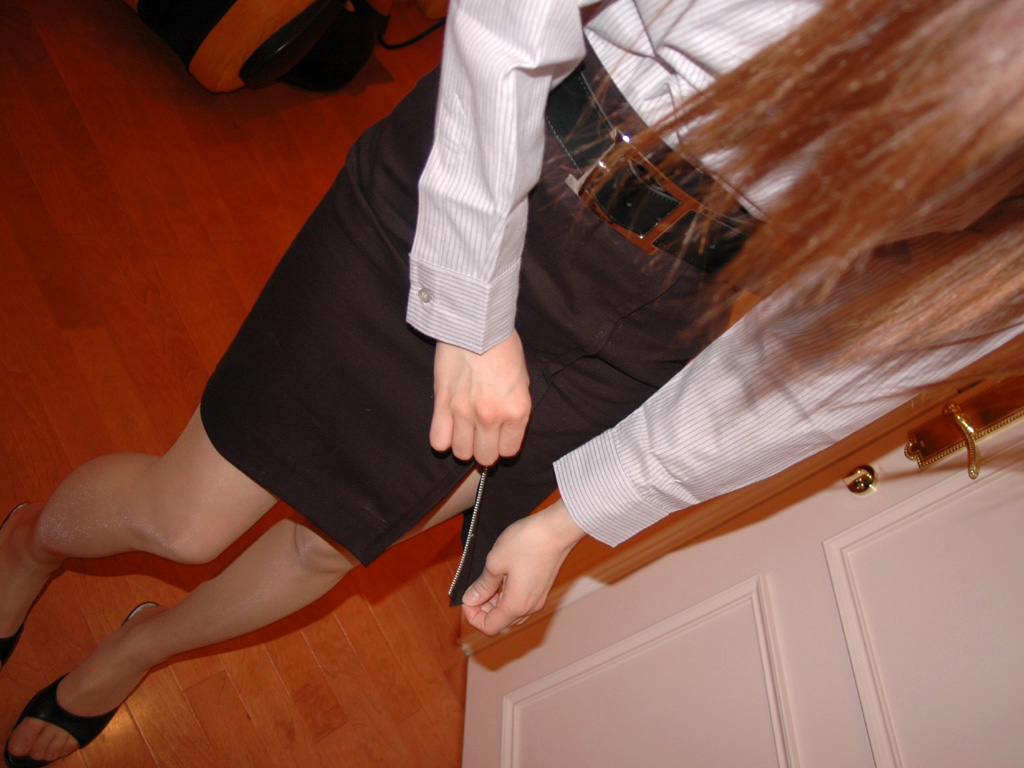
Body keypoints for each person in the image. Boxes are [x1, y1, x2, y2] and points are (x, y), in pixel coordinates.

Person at [3, 0, 1023, 764]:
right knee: (184, 522)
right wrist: (471, 299)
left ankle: (139, 650)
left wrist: (571, 518)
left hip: (659, 315)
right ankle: (28, 541)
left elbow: (852, 353)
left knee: (332, 545)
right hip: (509, 165)